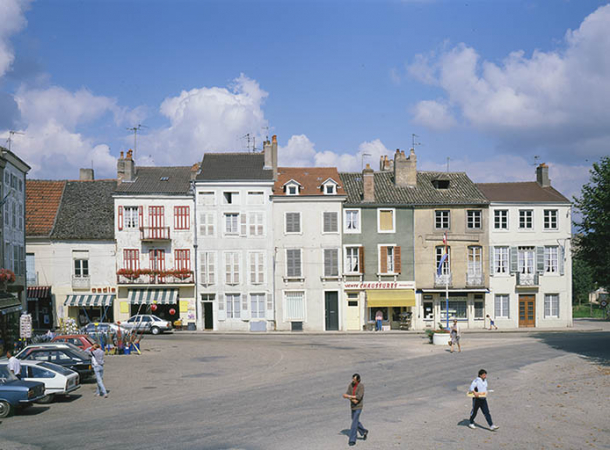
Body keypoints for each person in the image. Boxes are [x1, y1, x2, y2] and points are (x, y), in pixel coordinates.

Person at [343, 373, 368, 446]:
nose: (353, 381)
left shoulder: (361, 386)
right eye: (352, 379)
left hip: (358, 406)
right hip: (353, 406)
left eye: (354, 380)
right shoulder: (351, 385)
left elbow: (359, 397)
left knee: (354, 422)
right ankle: (364, 431)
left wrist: (349, 396)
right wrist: (351, 398)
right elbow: (346, 394)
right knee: (354, 419)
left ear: (358, 380)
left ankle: (352, 439)